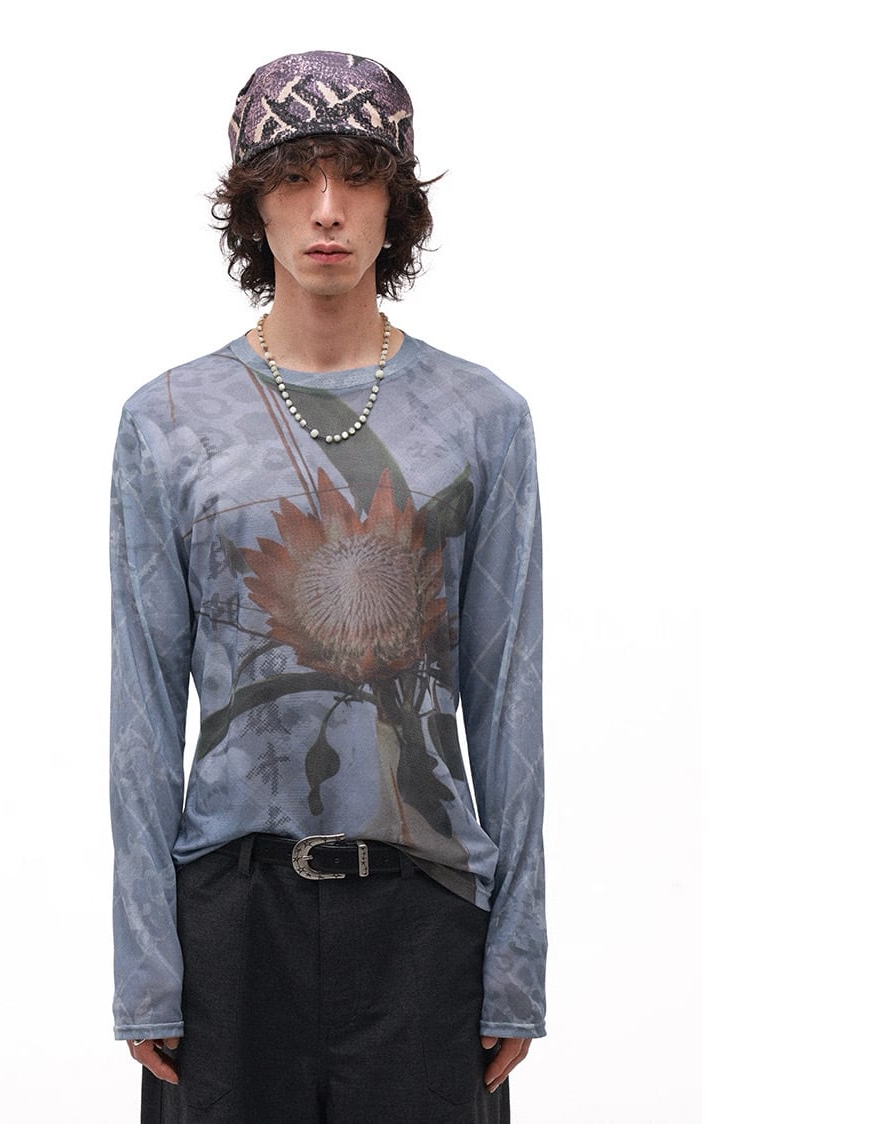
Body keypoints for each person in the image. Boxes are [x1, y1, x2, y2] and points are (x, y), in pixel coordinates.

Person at [110, 50, 546, 1123]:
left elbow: (508, 700)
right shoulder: (168, 421)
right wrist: (144, 962)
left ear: (396, 206)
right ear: (249, 202)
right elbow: (140, 708)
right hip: (228, 922)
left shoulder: (481, 418)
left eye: (356, 177)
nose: (325, 210)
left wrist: (516, 959)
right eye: (293, 177)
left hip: (426, 918)